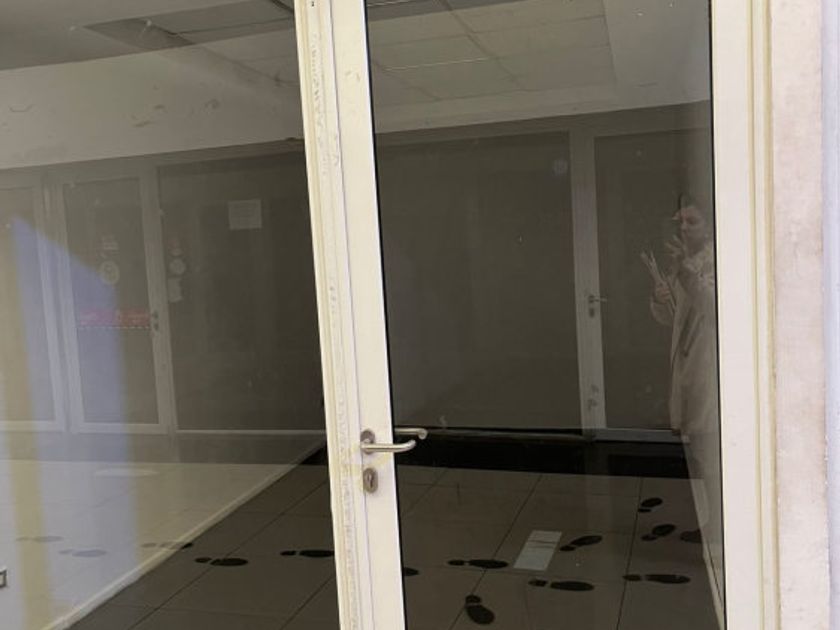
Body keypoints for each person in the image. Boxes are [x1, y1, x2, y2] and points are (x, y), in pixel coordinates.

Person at [649, 193, 721, 547]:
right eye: (680, 222)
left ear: (708, 226)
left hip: (711, 370)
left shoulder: (717, 259)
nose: (684, 228)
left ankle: (721, 528)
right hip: (689, 368)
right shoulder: (684, 264)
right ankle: (715, 524)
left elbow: (714, 306)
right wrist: (660, 298)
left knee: (712, 453)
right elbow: (673, 320)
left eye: (692, 222)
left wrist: (684, 271)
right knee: (702, 453)